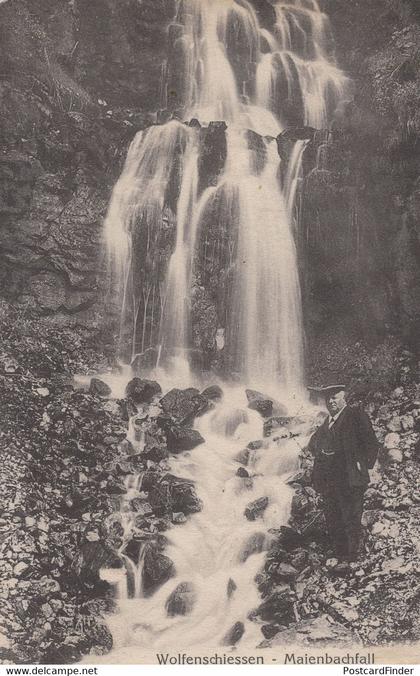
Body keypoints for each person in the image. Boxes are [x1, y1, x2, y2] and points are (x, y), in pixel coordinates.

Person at [307, 384, 379, 562]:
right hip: (330, 481)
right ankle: (340, 553)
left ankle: (352, 556)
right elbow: (313, 444)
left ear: (343, 398)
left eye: (334, 398)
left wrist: (363, 465)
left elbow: (371, 442)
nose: (331, 402)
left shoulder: (355, 415)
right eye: (328, 399)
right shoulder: (327, 423)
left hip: (350, 478)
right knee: (333, 517)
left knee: (351, 516)